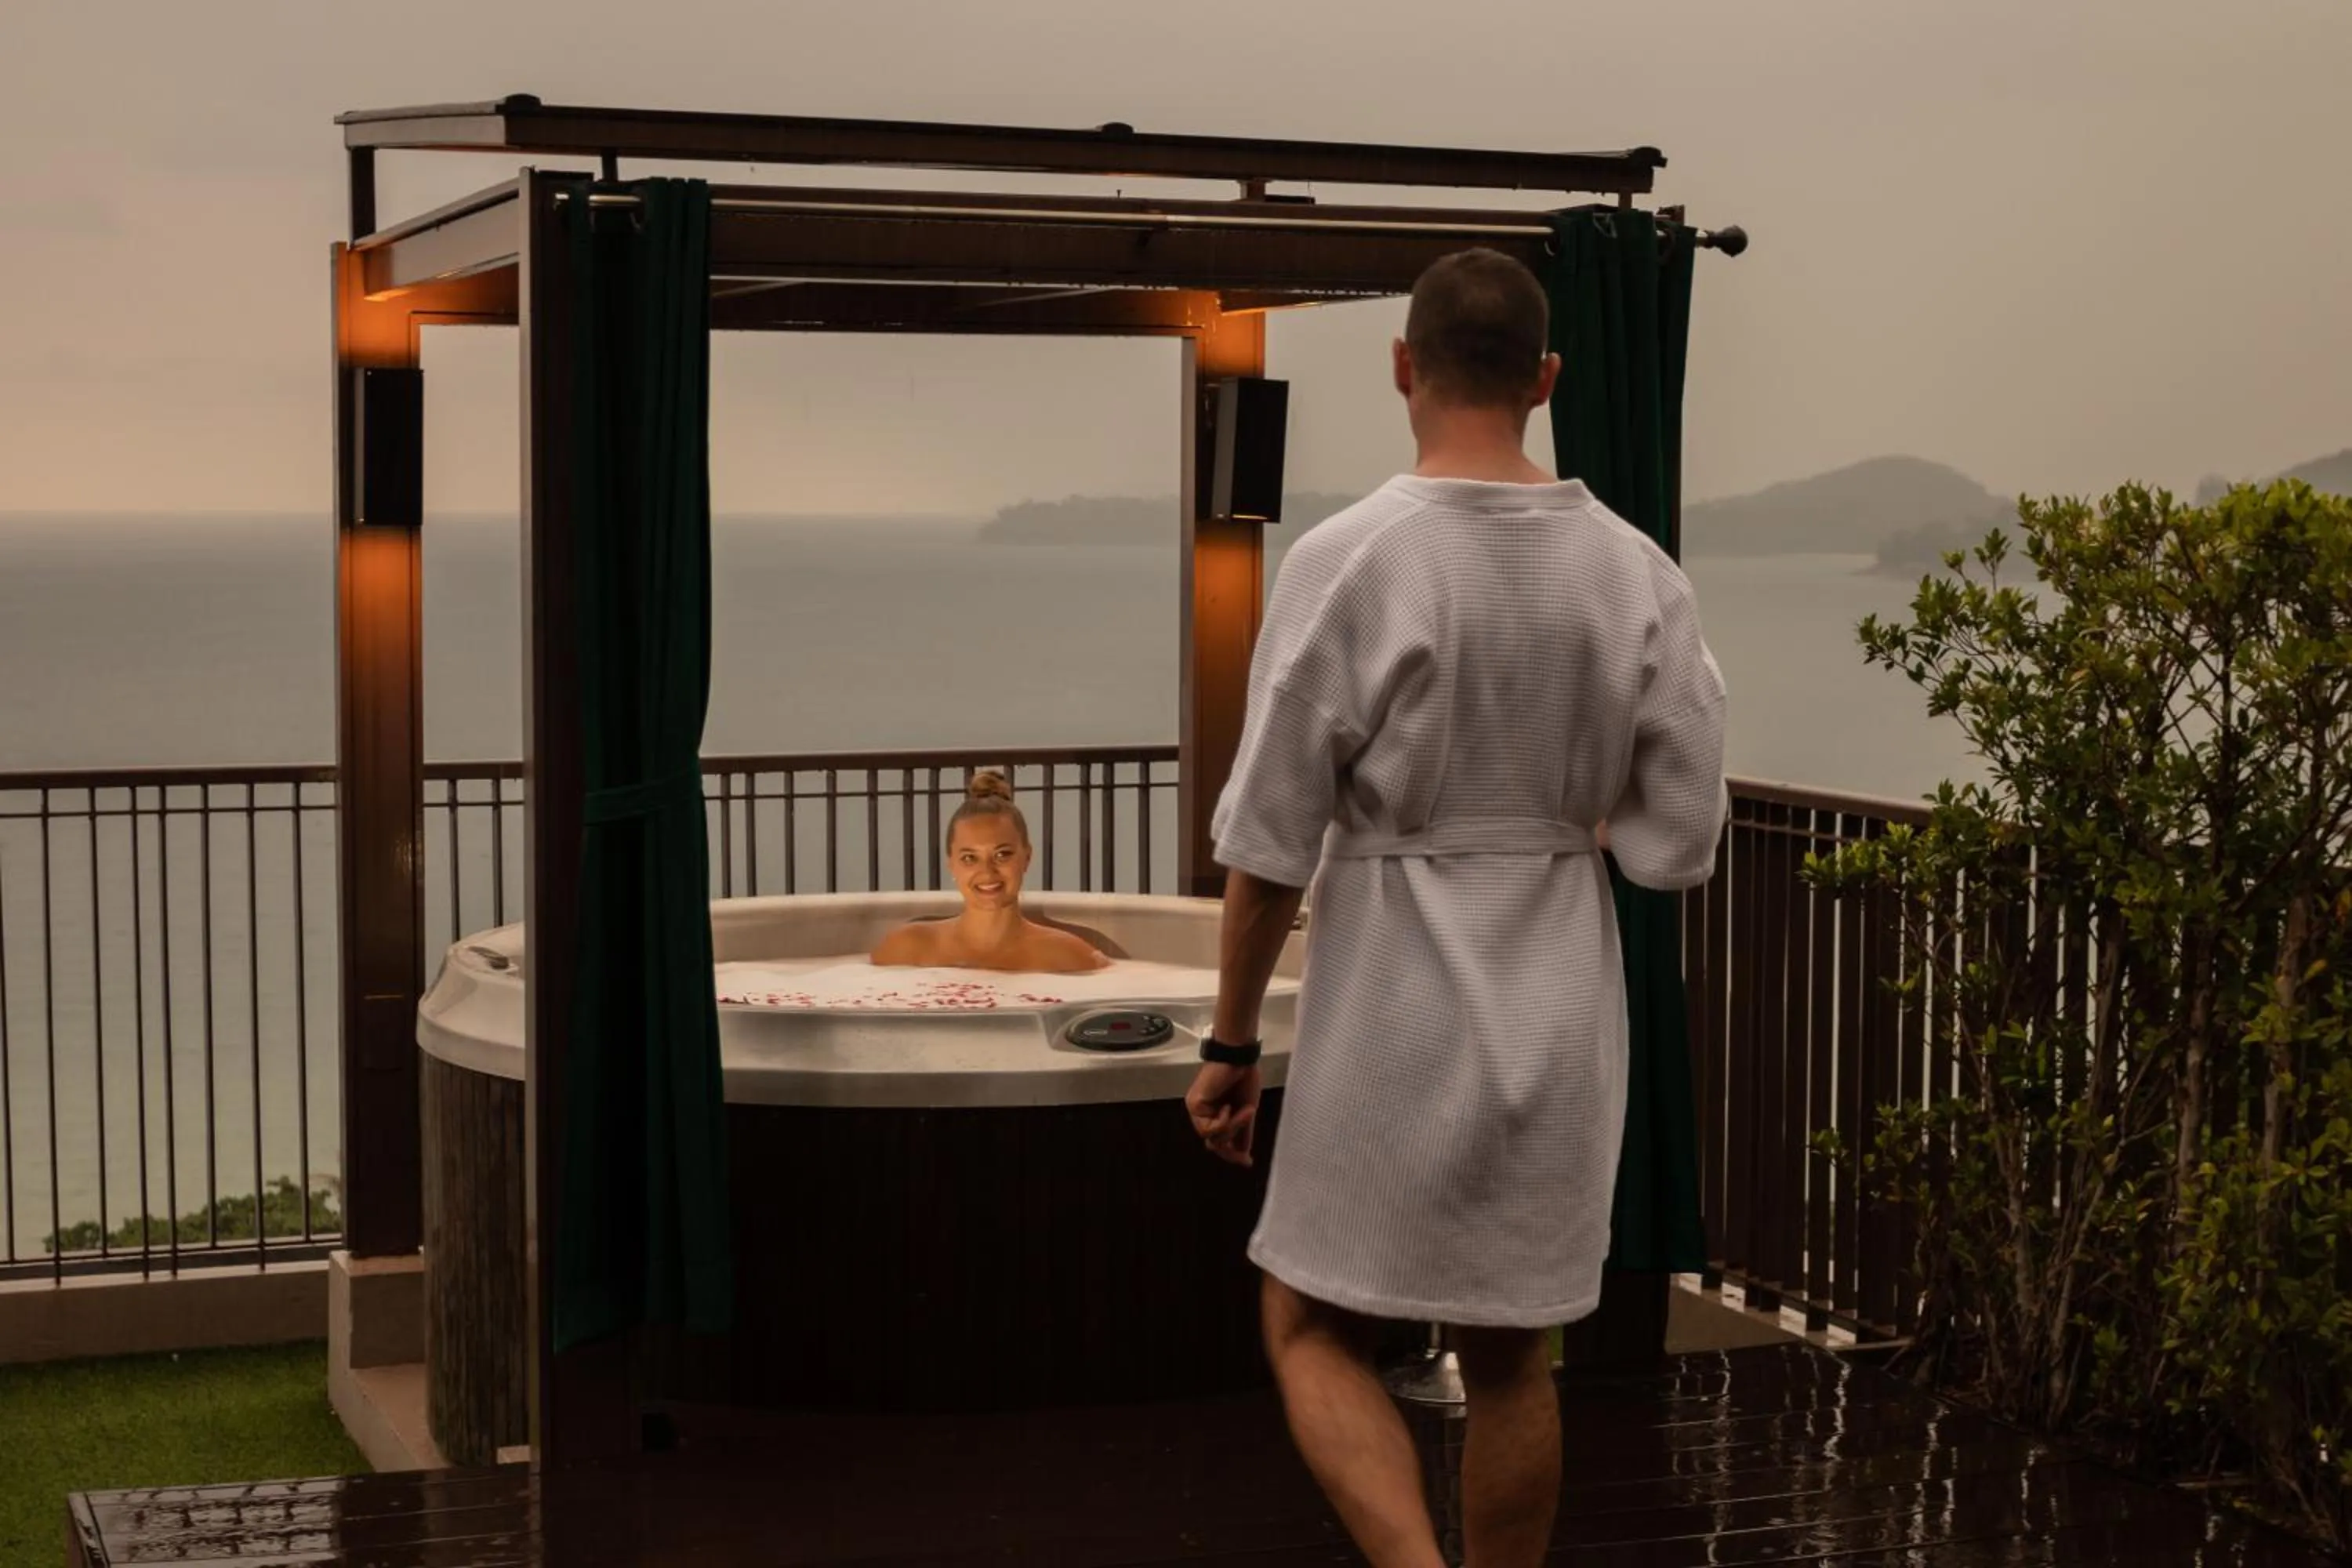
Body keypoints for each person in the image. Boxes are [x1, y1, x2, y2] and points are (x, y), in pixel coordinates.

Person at [1184, 249, 1728, 1568]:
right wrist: (1570, 820)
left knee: (1308, 1326)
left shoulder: (1347, 558)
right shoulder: (1636, 572)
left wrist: (1233, 1041)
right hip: (1555, 999)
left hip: (1391, 1002)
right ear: (1546, 379)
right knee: (1514, 1358)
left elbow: (1268, 841)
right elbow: (1678, 841)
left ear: (1401, 368)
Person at [870, 770, 1109, 975]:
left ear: (1027, 858)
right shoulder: (906, 949)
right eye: (969, 858)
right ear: (951, 864)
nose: (987, 872)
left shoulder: (1070, 958)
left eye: (1002, 855)